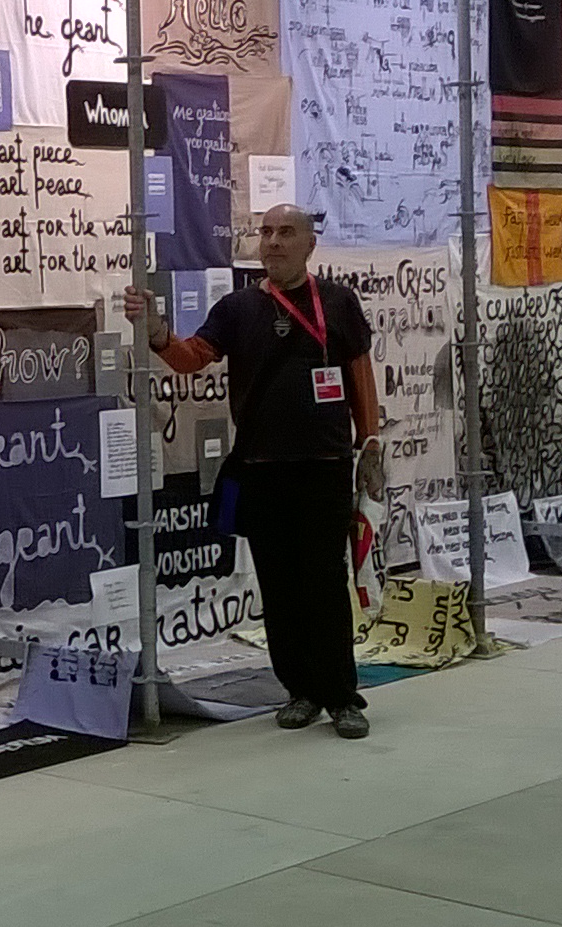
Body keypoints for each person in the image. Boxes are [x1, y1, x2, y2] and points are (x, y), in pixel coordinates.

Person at [123, 205, 383, 739]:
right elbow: (192, 357)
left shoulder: (338, 302)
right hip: (262, 470)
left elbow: (359, 373)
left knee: (325, 583)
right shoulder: (238, 308)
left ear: (310, 245)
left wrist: (371, 441)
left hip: (326, 467)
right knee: (278, 585)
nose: (273, 242)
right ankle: (300, 691)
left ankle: (341, 696)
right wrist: (156, 331)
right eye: (266, 232)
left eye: (286, 232)